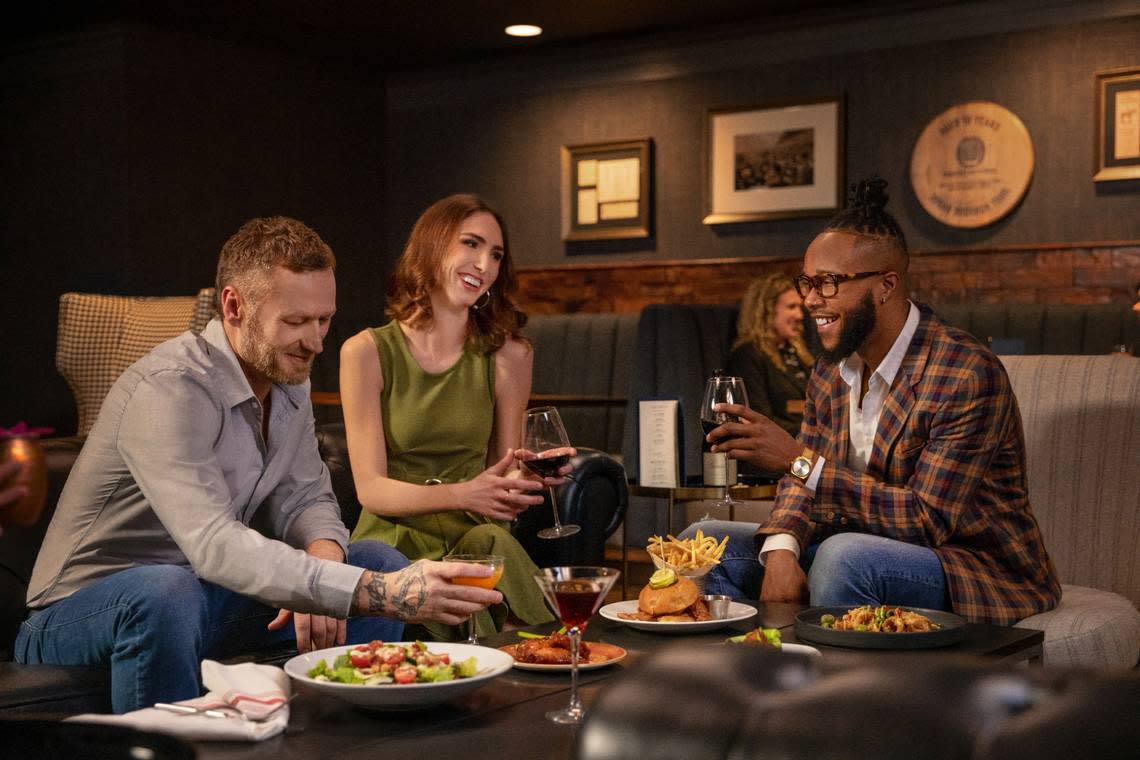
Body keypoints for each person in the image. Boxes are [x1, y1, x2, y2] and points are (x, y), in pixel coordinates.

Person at [16, 216, 502, 713]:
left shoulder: (287, 375)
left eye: (324, 320)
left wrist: (324, 571)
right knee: (165, 590)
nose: (315, 342)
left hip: (203, 599)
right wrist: (367, 593)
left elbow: (307, 496)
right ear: (234, 306)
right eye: (295, 322)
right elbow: (213, 545)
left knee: (377, 558)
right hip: (80, 612)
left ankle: (339, 739)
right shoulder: (168, 387)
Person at [682, 178, 1060, 625]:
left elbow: (925, 520)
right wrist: (781, 546)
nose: (809, 300)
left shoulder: (965, 372)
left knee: (843, 558)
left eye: (828, 283)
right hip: (855, 542)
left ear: (886, 285)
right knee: (701, 542)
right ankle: (750, 676)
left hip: (968, 564)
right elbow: (802, 487)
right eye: (806, 282)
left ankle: (836, 690)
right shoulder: (831, 368)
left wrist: (799, 460)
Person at [340, 194, 558, 640]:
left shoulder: (509, 355)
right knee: (426, 572)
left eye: (495, 255)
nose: (484, 264)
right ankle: (559, 641)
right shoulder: (365, 351)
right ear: (433, 246)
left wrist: (530, 483)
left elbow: (506, 470)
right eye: (471, 245)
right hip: (392, 540)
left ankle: (562, 647)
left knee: (490, 546)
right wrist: (465, 493)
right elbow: (371, 490)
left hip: (474, 534)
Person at [725, 273, 814, 439]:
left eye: (799, 307)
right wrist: (816, 431)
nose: (800, 316)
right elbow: (758, 421)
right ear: (767, 310)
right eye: (791, 307)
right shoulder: (747, 356)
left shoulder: (798, 352)